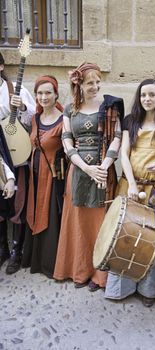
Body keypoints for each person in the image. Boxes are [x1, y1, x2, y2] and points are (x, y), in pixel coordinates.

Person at [104, 79, 155, 307]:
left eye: (152, 95)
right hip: (130, 186)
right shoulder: (131, 121)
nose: (147, 99)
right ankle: (123, 287)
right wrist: (133, 186)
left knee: (152, 239)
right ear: (139, 97)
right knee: (127, 237)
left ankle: (151, 289)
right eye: (143, 95)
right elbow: (125, 154)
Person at [53, 62, 124, 291]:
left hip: (104, 171)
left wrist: (103, 166)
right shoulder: (69, 110)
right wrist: (86, 167)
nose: (95, 86)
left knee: (100, 224)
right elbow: (66, 140)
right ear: (80, 85)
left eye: (97, 81)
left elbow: (116, 137)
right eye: (90, 82)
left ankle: (99, 275)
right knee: (80, 223)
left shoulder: (109, 106)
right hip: (80, 171)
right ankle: (80, 271)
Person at [21, 75, 66, 278]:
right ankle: (34, 260)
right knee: (34, 212)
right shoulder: (35, 119)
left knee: (50, 219)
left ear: (56, 94)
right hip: (35, 177)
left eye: (48, 92)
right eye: (39, 93)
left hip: (54, 179)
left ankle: (49, 265)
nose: (43, 97)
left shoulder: (64, 120)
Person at [0, 51, 35, 274]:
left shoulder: (16, 89)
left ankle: (17, 250)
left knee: (19, 202)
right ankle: (2, 247)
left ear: (1, 66)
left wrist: (21, 106)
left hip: (16, 151)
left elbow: (35, 117)